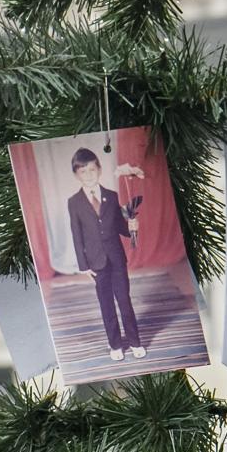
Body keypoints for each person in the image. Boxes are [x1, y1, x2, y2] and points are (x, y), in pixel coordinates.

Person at [65, 147, 146, 361]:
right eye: (83, 171)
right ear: (76, 175)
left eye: (92, 170)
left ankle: (135, 341)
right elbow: (76, 235)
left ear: (99, 170)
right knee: (106, 304)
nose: (89, 175)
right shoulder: (74, 203)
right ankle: (115, 345)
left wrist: (132, 226)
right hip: (96, 262)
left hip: (117, 258)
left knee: (124, 300)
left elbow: (120, 227)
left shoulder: (111, 196)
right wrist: (84, 265)